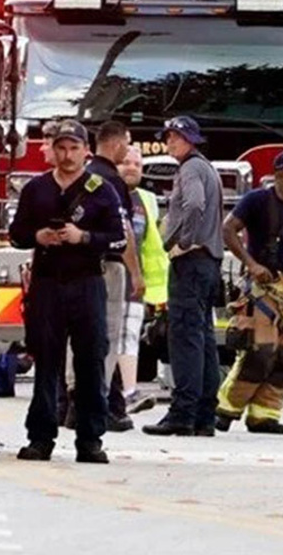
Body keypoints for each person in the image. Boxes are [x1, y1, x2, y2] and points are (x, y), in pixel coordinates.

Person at [8, 119, 125, 463]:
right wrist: (38, 236)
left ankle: (90, 439)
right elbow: (17, 233)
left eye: (74, 148)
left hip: (87, 282)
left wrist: (84, 237)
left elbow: (118, 238)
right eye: (61, 147)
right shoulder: (36, 189)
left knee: (90, 361)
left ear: (86, 151)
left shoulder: (102, 189)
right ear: (52, 150)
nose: (68, 155)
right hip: (47, 282)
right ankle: (41, 437)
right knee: (46, 361)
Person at [216, 149, 283, 434]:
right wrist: (252, 264)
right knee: (259, 353)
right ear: (282, 172)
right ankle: (226, 409)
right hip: (263, 291)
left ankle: (265, 415)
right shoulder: (257, 200)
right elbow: (228, 229)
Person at [144, 116, 225, 437]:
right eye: (168, 137)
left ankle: (183, 412)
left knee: (185, 337)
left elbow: (193, 204)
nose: (170, 143)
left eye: (176, 137)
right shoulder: (206, 168)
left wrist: (183, 241)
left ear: (190, 140)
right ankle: (205, 414)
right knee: (203, 337)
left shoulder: (191, 169)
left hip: (191, 262)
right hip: (208, 263)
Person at [64, 121, 143, 433]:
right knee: (105, 338)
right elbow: (123, 233)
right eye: (127, 143)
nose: (127, 151)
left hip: (76, 266)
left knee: (77, 335)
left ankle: (72, 401)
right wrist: (136, 273)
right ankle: (97, 405)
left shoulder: (80, 177)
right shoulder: (112, 181)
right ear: (117, 142)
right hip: (107, 266)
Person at [118, 145, 168, 414]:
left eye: (137, 164)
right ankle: (121, 393)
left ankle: (128, 392)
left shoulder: (147, 200)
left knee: (129, 337)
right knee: (110, 339)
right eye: (126, 162)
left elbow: (153, 244)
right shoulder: (107, 193)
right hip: (111, 279)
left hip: (137, 283)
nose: (132, 168)